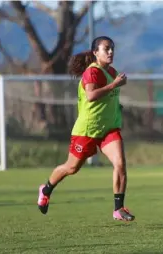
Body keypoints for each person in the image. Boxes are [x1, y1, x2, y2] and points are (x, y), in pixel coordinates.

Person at [37, 36, 135, 221]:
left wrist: (117, 106)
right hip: (87, 130)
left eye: (112, 48)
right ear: (95, 53)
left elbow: (109, 98)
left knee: (120, 165)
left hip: (108, 130)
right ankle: (46, 189)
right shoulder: (92, 72)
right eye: (106, 49)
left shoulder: (112, 71)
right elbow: (91, 96)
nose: (111, 52)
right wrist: (114, 85)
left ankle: (118, 208)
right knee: (72, 168)